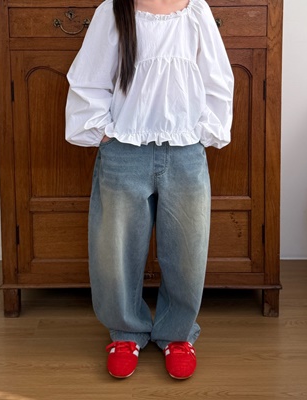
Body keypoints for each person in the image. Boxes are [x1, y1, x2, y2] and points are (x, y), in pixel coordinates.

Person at [65, 0, 234, 380]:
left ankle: (177, 334)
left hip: (184, 150)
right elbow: (89, 77)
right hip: (124, 149)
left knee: (187, 249)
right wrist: (103, 132)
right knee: (115, 250)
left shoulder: (195, 12)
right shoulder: (114, 11)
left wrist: (203, 132)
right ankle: (125, 332)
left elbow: (218, 78)